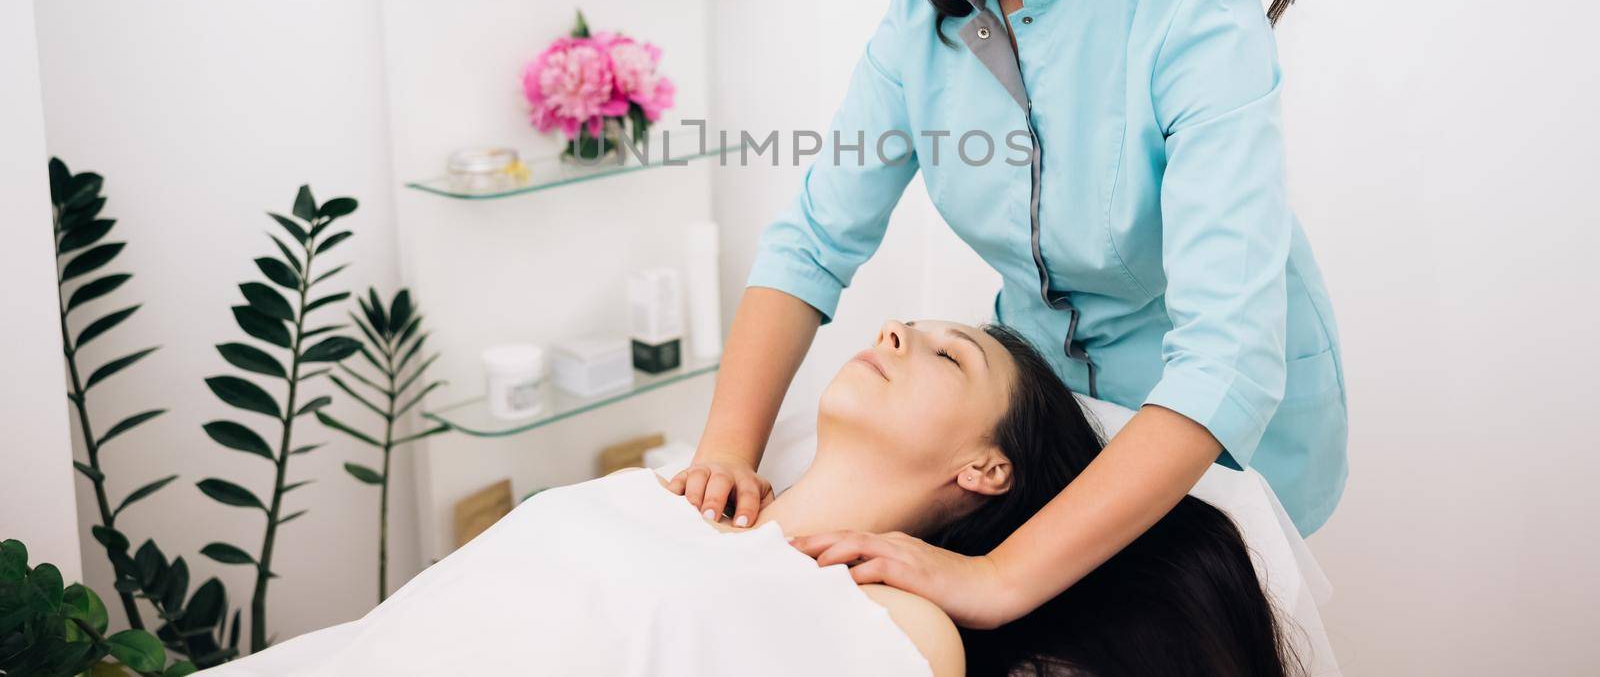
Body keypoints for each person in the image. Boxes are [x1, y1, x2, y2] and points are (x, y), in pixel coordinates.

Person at [670, 0, 1348, 633]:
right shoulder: (928, 9)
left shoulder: (1189, 12)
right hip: (1039, 420)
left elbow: (1226, 361)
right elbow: (814, 241)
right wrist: (726, 449)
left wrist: (998, 578)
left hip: (1208, 430)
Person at [213, 319, 1301, 677]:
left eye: (944, 353)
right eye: (899, 323)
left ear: (987, 468)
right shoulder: (663, 489)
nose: (891, 331)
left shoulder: (903, 615)